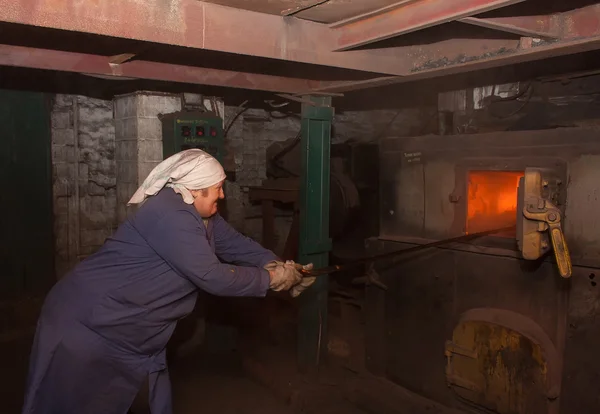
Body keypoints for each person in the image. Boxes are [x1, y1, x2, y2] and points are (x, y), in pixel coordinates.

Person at [22, 149, 315, 414]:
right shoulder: (169, 214)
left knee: (145, 401)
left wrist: (278, 265)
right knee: (69, 403)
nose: (222, 196)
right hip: (88, 324)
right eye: (217, 189)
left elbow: (235, 244)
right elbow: (212, 276)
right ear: (194, 190)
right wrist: (272, 279)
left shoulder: (202, 216)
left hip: (133, 332)